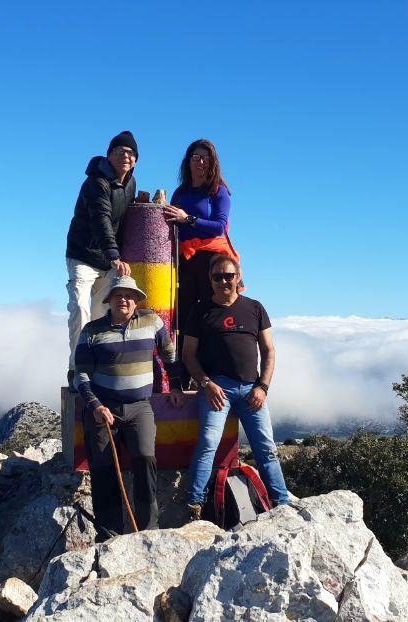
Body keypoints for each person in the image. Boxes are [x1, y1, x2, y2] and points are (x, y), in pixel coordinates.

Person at [74, 275, 184, 538]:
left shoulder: (152, 321)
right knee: (103, 469)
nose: (124, 299)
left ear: (137, 301)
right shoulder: (92, 330)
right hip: (103, 409)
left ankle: (147, 530)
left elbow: (169, 355)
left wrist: (177, 385)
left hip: (140, 407)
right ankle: (108, 533)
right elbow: (81, 375)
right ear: (109, 300)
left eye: (129, 295)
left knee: (146, 461)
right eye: (118, 295)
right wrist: (96, 406)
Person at [181, 255, 289, 518]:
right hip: (217, 389)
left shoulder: (254, 308)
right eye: (217, 277)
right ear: (210, 279)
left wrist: (263, 387)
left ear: (238, 277)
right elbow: (188, 355)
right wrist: (206, 383)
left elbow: (269, 351)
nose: (223, 281)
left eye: (228, 276)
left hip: (252, 389)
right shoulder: (200, 310)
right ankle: (194, 504)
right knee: (208, 442)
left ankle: (282, 503)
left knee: (265, 447)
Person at [66, 131, 139, 381]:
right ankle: (77, 370)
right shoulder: (96, 182)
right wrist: (114, 255)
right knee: (80, 310)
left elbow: (125, 220)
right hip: (83, 255)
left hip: (109, 259)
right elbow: (101, 218)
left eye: (130, 153)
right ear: (109, 156)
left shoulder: (131, 184)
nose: (125, 157)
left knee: (99, 317)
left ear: (136, 160)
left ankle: (95, 366)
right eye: (120, 151)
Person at [161, 139, 240, 366]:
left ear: (213, 162)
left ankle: (211, 366)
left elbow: (220, 227)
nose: (200, 162)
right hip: (184, 260)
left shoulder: (218, 191)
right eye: (195, 157)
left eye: (205, 157)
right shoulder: (181, 192)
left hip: (210, 260)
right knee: (184, 314)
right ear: (188, 162)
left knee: (209, 311)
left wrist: (189, 219)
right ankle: (185, 371)